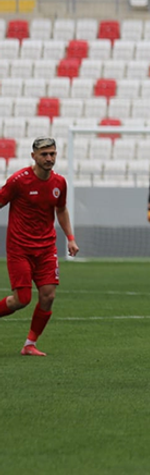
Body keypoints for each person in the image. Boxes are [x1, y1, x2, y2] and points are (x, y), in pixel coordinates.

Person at [0, 137, 80, 356]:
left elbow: (61, 209)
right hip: (20, 249)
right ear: (33, 156)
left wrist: (70, 238)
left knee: (48, 296)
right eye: (44, 154)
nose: (49, 158)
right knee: (21, 300)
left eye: (52, 154)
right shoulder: (18, 181)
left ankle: (29, 344)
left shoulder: (59, 183)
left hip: (46, 248)